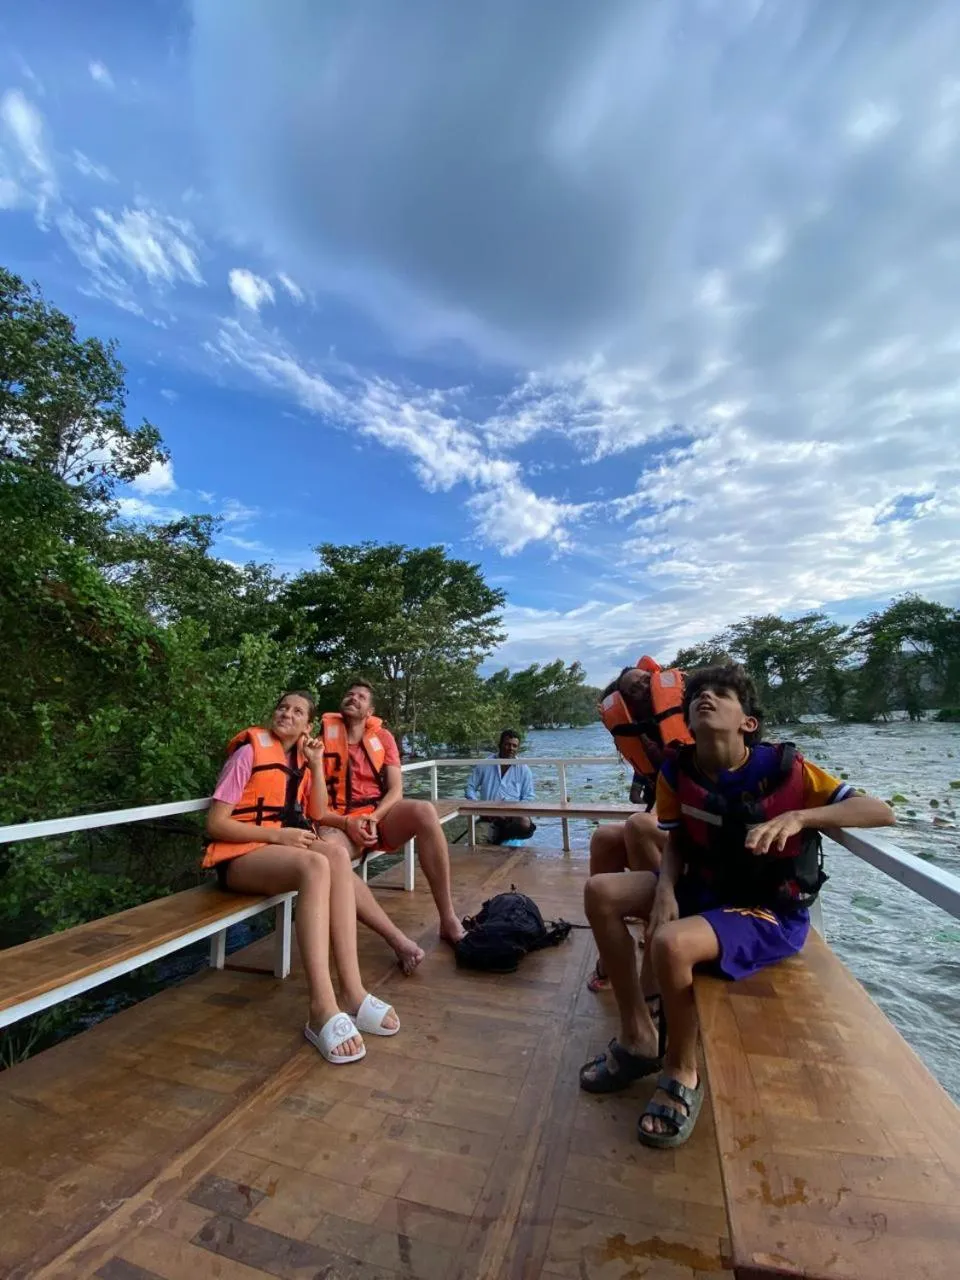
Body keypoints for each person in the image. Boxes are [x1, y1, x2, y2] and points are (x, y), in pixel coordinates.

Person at [578, 663, 894, 1148]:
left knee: (670, 943)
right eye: (698, 694)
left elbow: (880, 811)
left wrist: (800, 816)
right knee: (601, 892)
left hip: (767, 910)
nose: (706, 697)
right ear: (687, 717)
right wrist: (665, 889)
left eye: (722, 694)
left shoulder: (786, 769)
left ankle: (682, 1070)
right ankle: (638, 1035)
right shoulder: (676, 771)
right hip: (704, 889)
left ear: (748, 722)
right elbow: (676, 840)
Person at [202, 691, 400, 1065]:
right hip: (238, 859)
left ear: (308, 726)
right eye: (282, 708)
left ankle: (353, 992)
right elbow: (215, 823)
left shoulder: (301, 760)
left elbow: (318, 811)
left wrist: (316, 763)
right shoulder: (248, 754)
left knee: (335, 855)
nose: (286, 714)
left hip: (273, 852)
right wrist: (279, 837)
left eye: (297, 712)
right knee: (315, 865)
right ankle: (321, 1007)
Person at [316, 680, 466, 962]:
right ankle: (396, 939)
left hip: (377, 816)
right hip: (338, 823)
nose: (353, 698)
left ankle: (448, 919)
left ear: (370, 711)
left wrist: (373, 817)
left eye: (361, 697)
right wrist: (346, 823)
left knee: (424, 811)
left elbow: (396, 790)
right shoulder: (319, 739)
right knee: (329, 856)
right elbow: (312, 799)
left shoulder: (383, 738)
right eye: (349, 694)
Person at [586, 658, 691, 991]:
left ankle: (655, 933)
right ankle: (609, 949)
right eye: (634, 688)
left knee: (639, 825)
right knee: (604, 838)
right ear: (627, 704)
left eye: (646, 680)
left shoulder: (693, 720)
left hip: (702, 833)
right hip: (672, 831)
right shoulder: (642, 739)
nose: (644, 687)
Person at [464, 729, 537, 846]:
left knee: (524, 823)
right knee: (477, 839)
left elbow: (528, 796)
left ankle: (501, 835)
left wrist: (511, 812)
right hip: (488, 816)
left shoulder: (524, 769)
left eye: (514, 746)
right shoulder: (485, 764)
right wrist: (480, 807)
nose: (511, 748)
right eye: (507, 744)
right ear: (500, 745)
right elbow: (470, 788)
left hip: (512, 818)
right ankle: (494, 835)